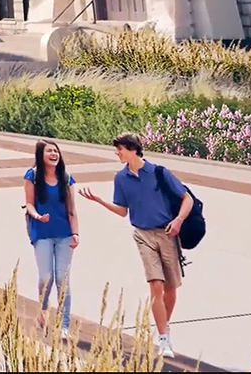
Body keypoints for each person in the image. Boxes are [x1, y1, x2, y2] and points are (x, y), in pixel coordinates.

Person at [79, 134, 192, 361]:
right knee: (156, 285)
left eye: (120, 149)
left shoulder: (158, 172)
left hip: (167, 234)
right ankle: (164, 338)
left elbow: (186, 198)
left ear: (132, 149)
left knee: (171, 288)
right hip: (143, 235)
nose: (117, 153)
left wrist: (178, 220)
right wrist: (100, 201)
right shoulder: (121, 178)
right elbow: (123, 211)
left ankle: (164, 325)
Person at [24, 139, 81, 340]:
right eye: (49, 151)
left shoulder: (66, 178)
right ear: (41, 155)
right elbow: (29, 204)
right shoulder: (32, 176)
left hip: (64, 233)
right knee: (46, 278)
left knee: (62, 279)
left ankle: (64, 326)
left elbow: (72, 209)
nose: (54, 154)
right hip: (42, 233)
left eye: (56, 151)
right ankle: (43, 307)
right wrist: (37, 216)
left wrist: (76, 233)